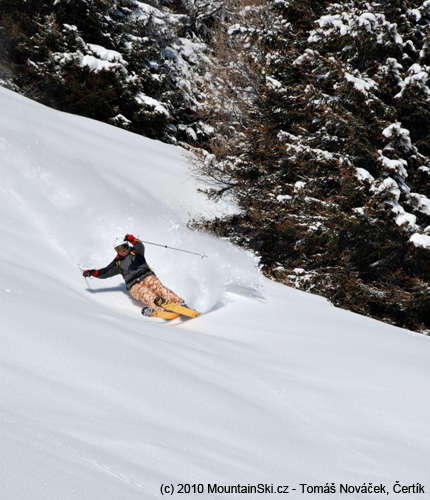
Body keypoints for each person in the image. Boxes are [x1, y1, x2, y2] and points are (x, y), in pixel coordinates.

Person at [83, 234, 185, 315]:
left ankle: (179, 303)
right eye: (118, 249)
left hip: (147, 276)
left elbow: (140, 246)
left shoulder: (135, 252)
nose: (122, 251)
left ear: (127, 245)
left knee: (158, 288)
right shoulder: (117, 262)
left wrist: (133, 239)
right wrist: (92, 272)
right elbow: (105, 272)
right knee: (145, 293)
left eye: (123, 247)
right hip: (133, 285)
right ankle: (162, 310)